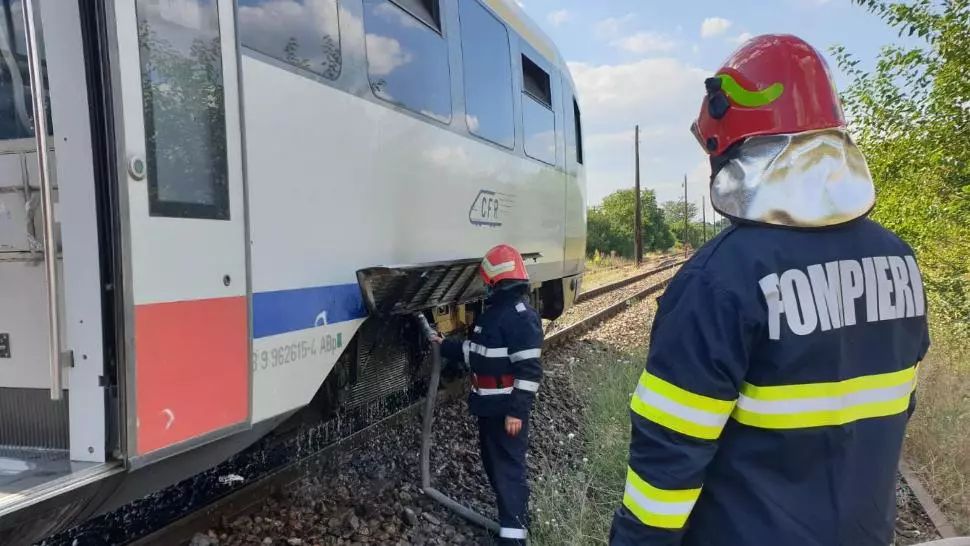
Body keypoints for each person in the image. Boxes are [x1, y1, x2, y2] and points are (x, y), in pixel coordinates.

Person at [609, 34, 930, 546]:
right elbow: (893, 413)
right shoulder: (899, 261)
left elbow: (668, 458)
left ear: (734, 149)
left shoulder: (719, 281)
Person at [434, 244, 543, 545]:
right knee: (496, 467)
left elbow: (530, 372)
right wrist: (444, 344)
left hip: (505, 411)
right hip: (488, 408)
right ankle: (512, 526)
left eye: (486, 281)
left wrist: (517, 412)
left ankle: (513, 539)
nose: (484, 286)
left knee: (509, 472)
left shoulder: (521, 318)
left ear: (497, 280)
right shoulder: (496, 315)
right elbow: (478, 354)